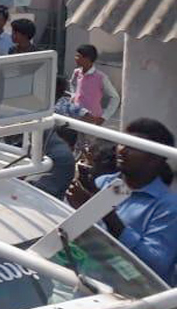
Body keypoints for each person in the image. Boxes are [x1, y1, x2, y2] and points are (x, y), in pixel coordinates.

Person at [66, 118, 177, 283]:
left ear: (156, 158)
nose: (122, 150)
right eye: (122, 143)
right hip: (85, 285)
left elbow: (155, 265)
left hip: (135, 300)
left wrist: (99, 210)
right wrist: (75, 210)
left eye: (133, 147)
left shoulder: (169, 206)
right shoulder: (102, 183)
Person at [69, 44, 121, 126]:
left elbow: (115, 98)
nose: (76, 59)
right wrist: (73, 95)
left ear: (87, 59)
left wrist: (104, 117)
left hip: (92, 120)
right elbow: (72, 83)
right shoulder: (76, 72)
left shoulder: (101, 77)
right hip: (76, 116)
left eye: (78, 56)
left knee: (88, 139)